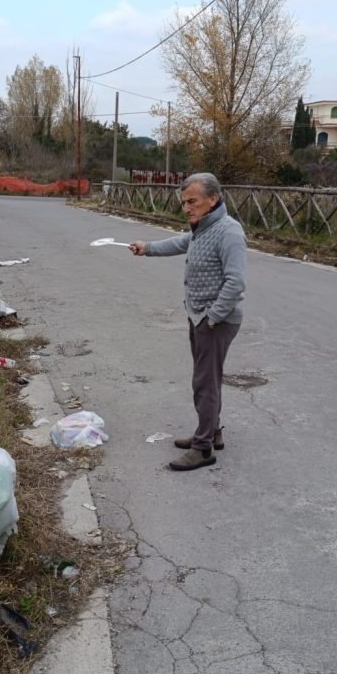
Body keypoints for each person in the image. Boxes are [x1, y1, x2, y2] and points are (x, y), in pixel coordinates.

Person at [129, 172, 246, 471]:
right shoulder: (201, 229)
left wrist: (212, 318)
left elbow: (235, 283)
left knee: (204, 383)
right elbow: (179, 243)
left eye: (192, 201)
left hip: (215, 321)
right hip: (200, 316)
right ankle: (213, 431)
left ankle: (203, 447)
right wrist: (147, 248)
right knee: (209, 378)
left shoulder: (229, 232)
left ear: (213, 199)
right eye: (183, 203)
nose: (186, 208)